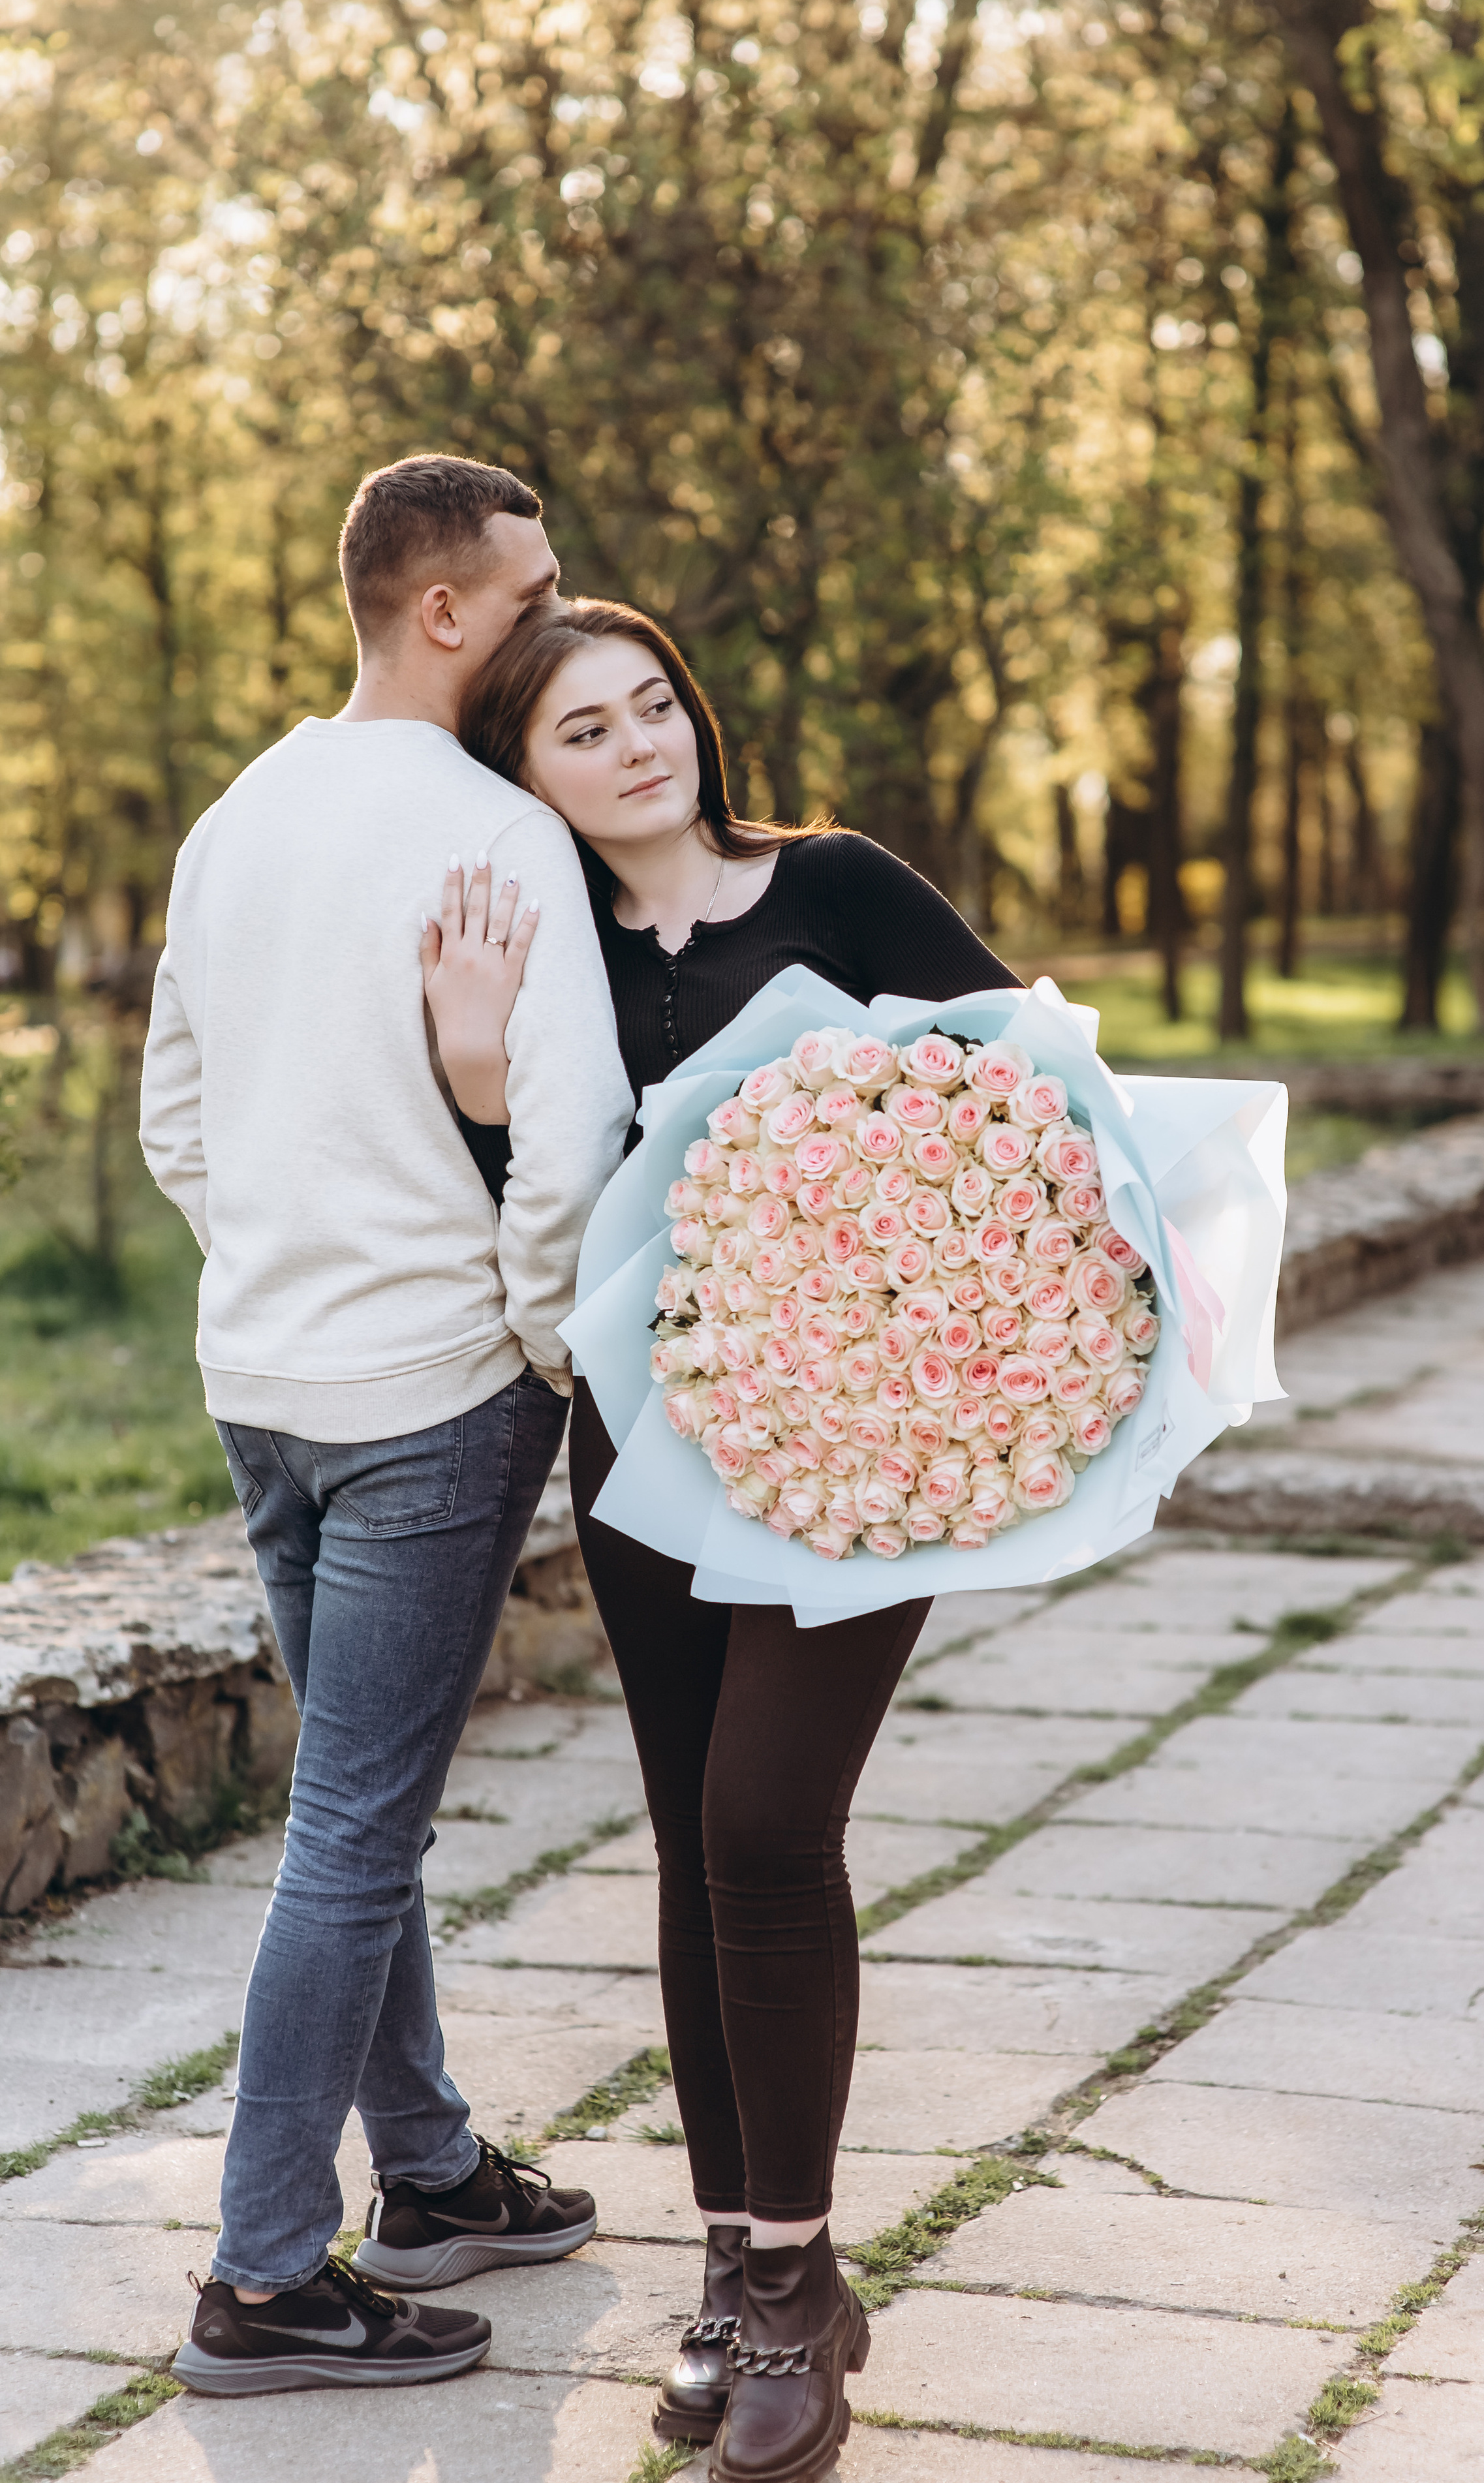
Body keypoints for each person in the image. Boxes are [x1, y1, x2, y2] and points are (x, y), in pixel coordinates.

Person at [420, 597, 1017, 2483]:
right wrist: (480, 1078)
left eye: (652, 703)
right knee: (691, 1838)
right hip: (647, 1439)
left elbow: (1023, 1094)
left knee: (770, 1824)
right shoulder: (558, 953)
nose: (637, 745)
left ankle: (797, 2280)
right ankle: (747, 2259)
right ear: (527, 776)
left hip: (861, 1445)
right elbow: (522, 1217)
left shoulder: (835, 886)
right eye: (582, 731)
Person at [139, 459, 634, 2396]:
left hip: (259, 1375)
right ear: (447, 610)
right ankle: (266, 2275)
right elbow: (569, 1149)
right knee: (354, 1831)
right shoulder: (505, 833)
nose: (560, 609)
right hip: (433, 1389)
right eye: (540, 586)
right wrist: (526, 1339)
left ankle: (423, 2170)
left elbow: (179, 1115)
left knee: (365, 1806)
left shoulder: (238, 814)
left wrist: (279, 1250)